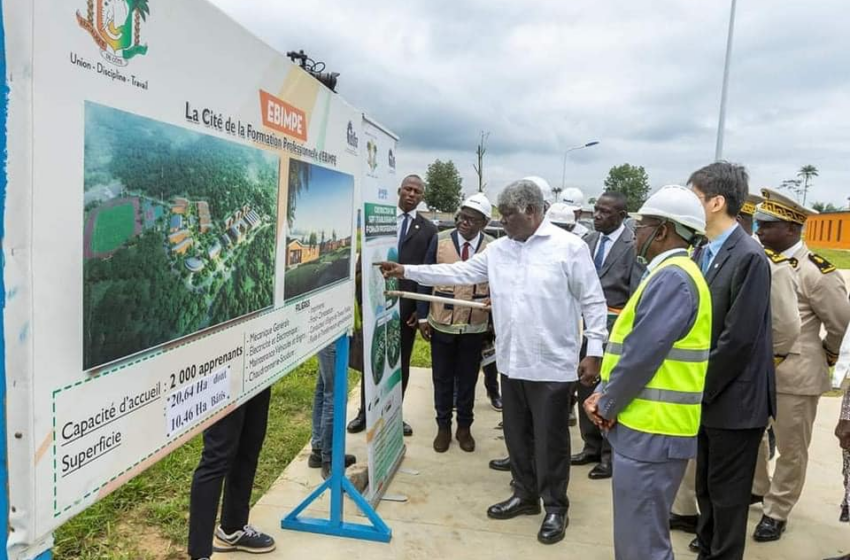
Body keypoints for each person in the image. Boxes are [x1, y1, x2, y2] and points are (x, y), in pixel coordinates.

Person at [377, 179, 608, 545]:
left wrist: (594, 351)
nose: (502, 222)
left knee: (550, 440)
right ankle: (525, 494)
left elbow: (593, 302)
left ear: (532, 212)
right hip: (512, 361)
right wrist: (406, 271)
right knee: (516, 435)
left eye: (508, 215)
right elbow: (457, 273)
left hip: (551, 364)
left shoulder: (569, 248)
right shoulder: (501, 250)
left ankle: (555, 507)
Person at [584, 185, 710, 560]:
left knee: (642, 545)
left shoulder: (672, 278)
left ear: (664, 231)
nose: (635, 232)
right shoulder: (670, 274)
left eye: (643, 225)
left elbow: (641, 356)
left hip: (654, 432)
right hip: (648, 429)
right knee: (638, 537)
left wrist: (606, 402)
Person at [686, 162, 775, 560]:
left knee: (727, 497)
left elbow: (738, 339)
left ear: (716, 202)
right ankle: (707, 550)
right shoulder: (703, 250)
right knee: (705, 488)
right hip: (708, 396)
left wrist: (698, 386)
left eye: (695, 198)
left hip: (734, 401)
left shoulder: (749, 256)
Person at [751, 189, 850, 542]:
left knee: (792, 447)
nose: (759, 230)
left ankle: (777, 511)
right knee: (753, 436)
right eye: (758, 223)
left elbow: (840, 322)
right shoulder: (760, 260)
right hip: (758, 370)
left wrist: (825, 354)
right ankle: (759, 488)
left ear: (792, 229)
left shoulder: (817, 272)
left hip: (797, 374)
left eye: (767, 224)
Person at [347, 174, 438, 436]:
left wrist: (419, 312)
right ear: (399, 190)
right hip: (375, 303)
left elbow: (426, 273)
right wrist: (361, 299)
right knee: (372, 358)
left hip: (406, 309)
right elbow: (363, 262)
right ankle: (366, 412)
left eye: (417, 192)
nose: (411, 194)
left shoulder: (429, 230)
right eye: (408, 189)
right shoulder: (378, 220)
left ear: (422, 197)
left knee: (401, 363)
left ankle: (395, 414)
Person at [573, 191, 644, 481]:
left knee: (608, 389)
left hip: (615, 328)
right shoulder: (587, 242)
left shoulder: (632, 245)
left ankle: (608, 455)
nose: (598, 216)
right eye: (596, 210)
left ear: (622, 217)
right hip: (586, 327)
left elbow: (636, 292)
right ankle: (589, 445)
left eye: (606, 212)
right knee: (585, 385)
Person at [416, 193, 494, 452]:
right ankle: (442, 426)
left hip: (475, 327)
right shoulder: (439, 241)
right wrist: (423, 316)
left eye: (472, 220)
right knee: (442, 377)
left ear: (483, 223)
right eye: (462, 217)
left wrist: (494, 322)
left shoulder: (492, 247)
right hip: (441, 323)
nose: (464, 223)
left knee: (468, 379)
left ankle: (464, 427)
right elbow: (425, 277)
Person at [187, 390, 276, 559]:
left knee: (249, 446)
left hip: (257, 372)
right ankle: (199, 554)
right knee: (216, 457)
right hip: (224, 377)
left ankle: (233, 528)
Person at [308, 344, 357, 478]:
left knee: (324, 385)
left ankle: (319, 448)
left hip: (328, 331)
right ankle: (328, 459)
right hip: (331, 329)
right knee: (336, 394)